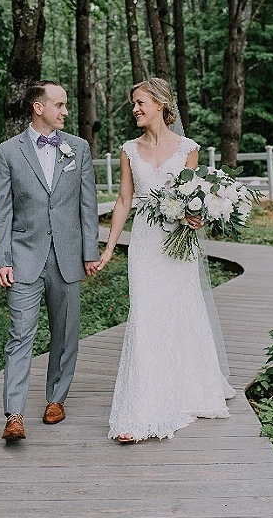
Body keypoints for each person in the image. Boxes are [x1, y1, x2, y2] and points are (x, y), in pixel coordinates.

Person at [97, 78, 235, 443]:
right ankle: (140, 409)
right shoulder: (129, 150)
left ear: (160, 104)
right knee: (145, 315)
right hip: (144, 243)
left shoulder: (188, 149)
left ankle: (186, 389)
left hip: (177, 243)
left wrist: (196, 216)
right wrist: (109, 248)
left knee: (180, 311)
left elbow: (195, 198)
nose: (135, 109)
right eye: (134, 104)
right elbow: (124, 200)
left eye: (140, 102)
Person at [0, 80, 100, 442]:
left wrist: (90, 252)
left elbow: (87, 204)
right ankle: (14, 414)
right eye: (60, 105)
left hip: (67, 256)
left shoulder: (78, 148)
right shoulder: (7, 152)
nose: (65, 111)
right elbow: (1, 211)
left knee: (65, 333)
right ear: (39, 107)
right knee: (20, 334)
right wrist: (2, 258)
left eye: (65, 105)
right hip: (24, 257)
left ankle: (56, 398)